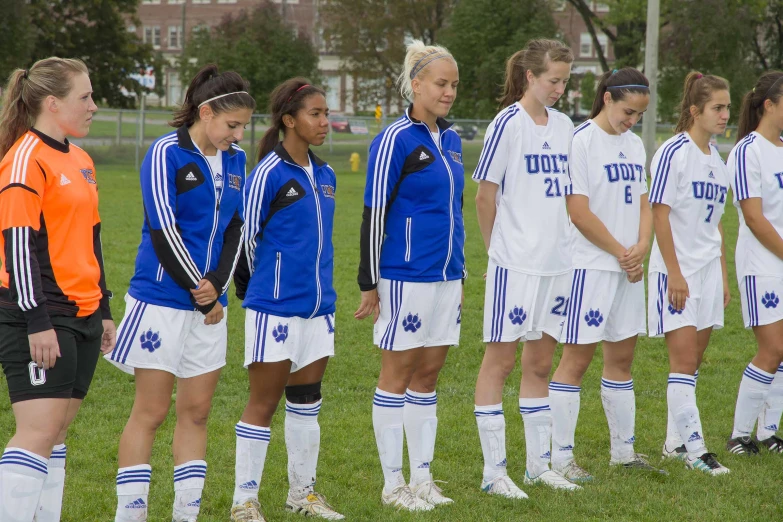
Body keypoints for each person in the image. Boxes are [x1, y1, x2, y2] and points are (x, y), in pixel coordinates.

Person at [105, 64, 254, 521]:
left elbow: (235, 227)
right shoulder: (165, 152)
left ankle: (184, 516)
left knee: (198, 412)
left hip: (210, 305)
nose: (237, 135)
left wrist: (217, 290)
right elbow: (162, 228)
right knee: (150, 411)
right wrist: (199, 291)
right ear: (206, 112)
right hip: (161, 301)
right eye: (232, 125)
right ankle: (131, 516)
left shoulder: (237, 162)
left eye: (244, 127)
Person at [0, 57, 115, 522]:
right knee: (37, 431)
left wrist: (104, 309)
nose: (93, 105)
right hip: (40, 314)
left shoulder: (81, 159)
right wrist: (37, 321)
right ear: (52, 103)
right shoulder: (25, 158)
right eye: (84, 97)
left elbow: (92, 238)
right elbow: (17, 245)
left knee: (58, 431)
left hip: (83, 314)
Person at [354, 39, 465, 511]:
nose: (448, 93)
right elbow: (373, 214)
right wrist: (369, 282)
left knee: (429, 375)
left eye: (454, 85)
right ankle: (392, 483)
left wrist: (459, 270)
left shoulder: (454, 140)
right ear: (415, 84)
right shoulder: (394, 139)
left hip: (447, 276)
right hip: (403, 275)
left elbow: (454, 209)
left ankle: (422, 478)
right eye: (441, 84)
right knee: (397, 374)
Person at [229, 78, 343, 522]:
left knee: (307, 402)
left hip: (319, 310)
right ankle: (244, 500)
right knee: (264, 403)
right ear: (289, 120)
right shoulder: (267, 175)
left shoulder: (328, 175)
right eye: (315, 114)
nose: (324, 122)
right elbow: (245, 242)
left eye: (325, 113)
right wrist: (264, 289)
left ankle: (303, 493)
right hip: (273, 307)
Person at [472, 39, 579, 497]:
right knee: (501, 361)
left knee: (540, 362)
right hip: (515, 265)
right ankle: (494, 472)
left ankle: (538, 466)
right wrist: (497, 252)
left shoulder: (565, 126)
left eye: (564, 82)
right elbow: (484, 196)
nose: (559, 89)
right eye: (553, 80)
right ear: (531, 77)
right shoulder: (507, 124)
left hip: (558, 264)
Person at [548, 68, 665, 480]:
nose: (632, 121)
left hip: (628, 268)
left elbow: (645, 205)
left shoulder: (635, 146)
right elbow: (578, 212)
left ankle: (624, 453)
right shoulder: (581, 141)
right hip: (591, 266)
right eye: (628, 111)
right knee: (576, 361)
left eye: (640, 115)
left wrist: (642, 246)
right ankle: (561, 459)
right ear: (608, 98)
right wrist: (620, 252)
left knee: (622, 358)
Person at [649, 72, 731, 475]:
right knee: (682, 362)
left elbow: (714, 225)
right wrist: (674, 273)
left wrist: (723, 275)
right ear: (695, 110)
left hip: (707, 273)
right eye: (717, 107)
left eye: (728, 106)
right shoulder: (672, 152)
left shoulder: (718, 159)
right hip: (676, 272)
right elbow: (659, 214)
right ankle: (698, 452)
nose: (725, 114)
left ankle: (673, 443)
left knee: (693, 363)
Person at [726, 70, 783, 454]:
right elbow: (753, 217)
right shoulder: (747, 150)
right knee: (772, 348)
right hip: (762, 263)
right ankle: (739, 435)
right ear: (769, 105)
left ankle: (768, 431)